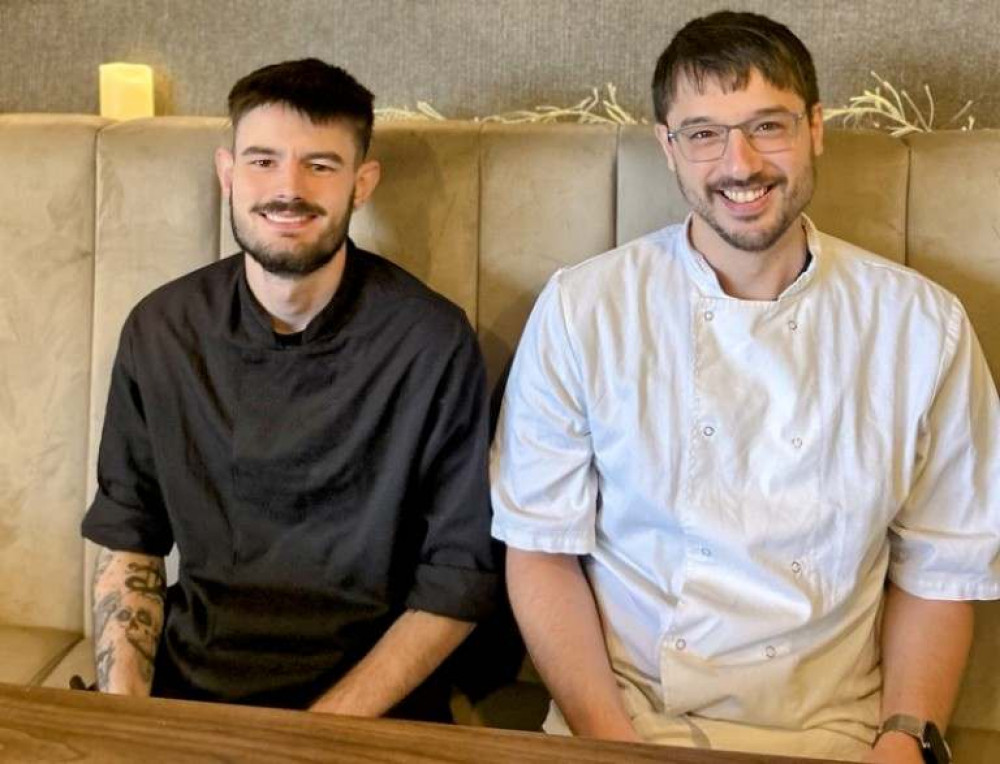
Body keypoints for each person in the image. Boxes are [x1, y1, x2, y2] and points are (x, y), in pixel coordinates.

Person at [490, 11, 999, 763]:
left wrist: (903, 739)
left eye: (769, 126)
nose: (741, 163)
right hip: (626, 718)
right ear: (667, 146)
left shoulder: (923, 327)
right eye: (704, 133)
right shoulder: (583, 310)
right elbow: (540, 550)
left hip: (838, 732)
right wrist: (610, 743)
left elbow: (942, 565)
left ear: (816, 128)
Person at [82, 58, 499, 722]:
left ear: (362, 184)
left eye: (320, 166)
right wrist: (127, 721)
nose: (288, 189)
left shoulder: (431, 341)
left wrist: (313, 738)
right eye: (263, 161)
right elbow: (129, 533)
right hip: (190, 688)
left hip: (372, 705)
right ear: (227, 173)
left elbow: (459, 577)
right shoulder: (161, 328)